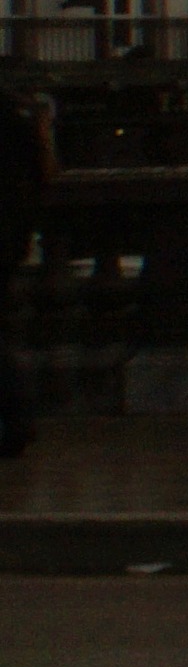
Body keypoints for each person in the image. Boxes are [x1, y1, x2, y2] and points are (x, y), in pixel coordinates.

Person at [0, 67, 49, 460]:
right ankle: (19, 421)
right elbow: (43, 175)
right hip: (10, 236)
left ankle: (16, 422)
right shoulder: (20, 119)